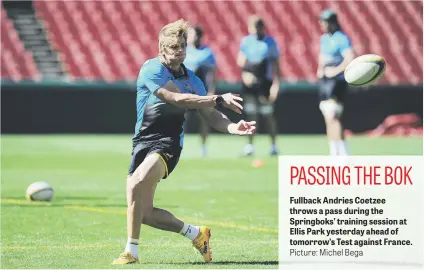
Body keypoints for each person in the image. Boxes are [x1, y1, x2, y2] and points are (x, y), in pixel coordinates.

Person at [112, 19, 256, 265]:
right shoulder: (152, 69)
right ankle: (196, 233)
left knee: (135, 184)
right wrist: (217, 98)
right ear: (162, 49)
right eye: (173, 47)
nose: (179, 51)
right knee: (144, 213)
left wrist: (232, 126)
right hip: (143, 141)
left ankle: (131, 252)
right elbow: (175, 98)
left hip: (167, 144)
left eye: (182, 46)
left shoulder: (194, 81)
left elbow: (211, 116)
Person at [237, 15, 281, 156]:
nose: (255, 31)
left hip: (265, 84)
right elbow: (241, 61)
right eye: (252, 28)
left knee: (268, 115)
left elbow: (276, 65)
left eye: (257, 28)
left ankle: (273, 146)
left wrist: (276, 85)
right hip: (250, 85)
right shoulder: (246, 42)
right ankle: (250, 146)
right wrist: (245, 75)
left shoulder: (270, 42)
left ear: (262, 28)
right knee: (251, 114)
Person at [316, 9, 355, 156]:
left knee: (333, 115)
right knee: (328, 116)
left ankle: (343, 152)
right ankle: (334, 151)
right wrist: (320, 69)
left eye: (324, 22)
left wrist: (336, 71)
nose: (321, 24)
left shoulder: (341, 38)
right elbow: (322, 57)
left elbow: (349, 58)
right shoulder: (324, 39)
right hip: (325, 82)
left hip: (336, 83)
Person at [183, 25, 217, 156]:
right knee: (181, 119)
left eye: (196, 34)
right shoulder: (183, 51)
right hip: (185, 91)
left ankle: (203, 146)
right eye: (191, 34)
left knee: (203, 119)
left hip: (201, 92)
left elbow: (213, 74)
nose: (193, 37)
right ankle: (179, 145)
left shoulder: (207, 53)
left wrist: (212, 90)